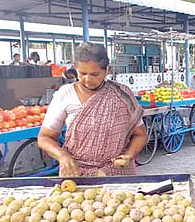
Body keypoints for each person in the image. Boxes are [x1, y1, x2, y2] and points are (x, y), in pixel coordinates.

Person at [38, 42, 147, 176]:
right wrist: (62, 156)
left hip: (117, 173)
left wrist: (129, 156)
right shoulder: (65, 94)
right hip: (76, 174)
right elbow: (45, 138)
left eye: (95, 74)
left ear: (107, 70)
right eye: (82, 73)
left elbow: (140, 135)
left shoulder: (122, 94)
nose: (88, 79)